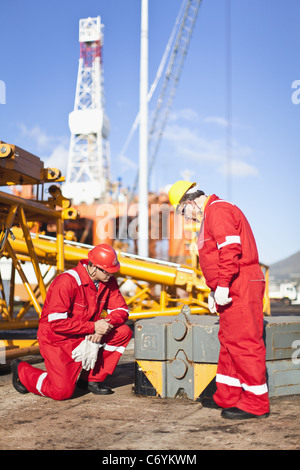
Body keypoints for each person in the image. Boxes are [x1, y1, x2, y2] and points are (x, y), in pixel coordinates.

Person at [168, 181, 270, 420]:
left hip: (240, 283)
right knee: (228, 342)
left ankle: (256, 403)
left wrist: (223, 284)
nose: (187, 219)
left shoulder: (219, 210)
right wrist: (215, 289)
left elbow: (230, 249)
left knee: (244, 342)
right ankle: (229, 396)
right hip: (232, 283)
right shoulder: (211, 214)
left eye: (184, 213)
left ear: (190, 202)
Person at [12, 244, 132, 400]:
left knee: (123, 332)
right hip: (57, 340)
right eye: (108, 271)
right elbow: (57, 322)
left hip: (85, 333)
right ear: (94, 268)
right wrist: (94, 326)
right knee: (61, 392)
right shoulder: (66, 281)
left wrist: (102, 325)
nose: (111, 274)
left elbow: (122, 311)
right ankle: (22, 371)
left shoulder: (109, 282)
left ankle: (90, 379)